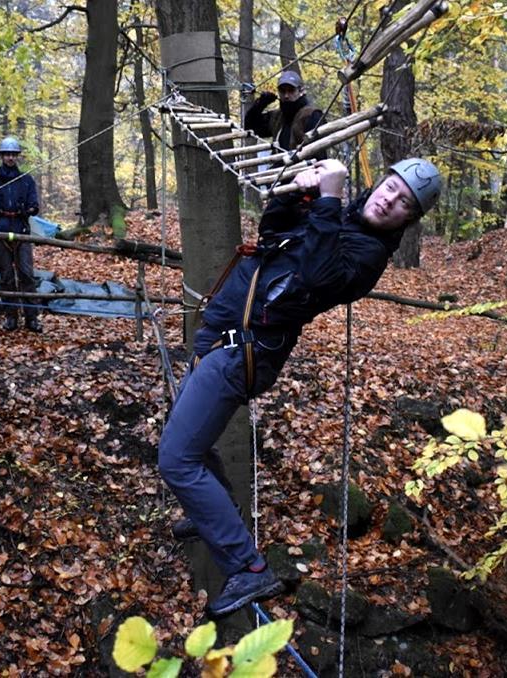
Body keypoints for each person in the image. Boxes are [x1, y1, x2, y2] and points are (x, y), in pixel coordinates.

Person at [159, 157, 442, 619]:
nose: (390, 198)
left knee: (175, 458)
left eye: (403, 202)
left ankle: (247, 568)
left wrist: (328, 199)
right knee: (190, 435)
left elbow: (315, 273)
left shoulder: (367, 256)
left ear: (408, 219)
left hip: (242, 352)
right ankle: (215, 507)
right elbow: (275, 233)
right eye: (390, 187)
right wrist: (298, 193)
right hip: (221, 335)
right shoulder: (339, 217)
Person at [0, 136, 42, 333]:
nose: (10, 158)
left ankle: (31, 318)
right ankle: (11, 317)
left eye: (14, 154)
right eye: (7, 154)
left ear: (17, 157)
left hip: (21, 232)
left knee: (27, 275)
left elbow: (35, 206)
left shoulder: (26, 180)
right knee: (6, 277)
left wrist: (29, 209)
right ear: (2, 156)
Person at [244, 70, 325, 155]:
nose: (286, 95)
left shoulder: (312, 115)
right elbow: (250, 126)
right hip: (280, 165)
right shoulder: (277, 116)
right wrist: (261, 103)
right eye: (282, 91)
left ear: (301, 91)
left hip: (304, 165)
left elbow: (319, 151)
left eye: (291, 90)